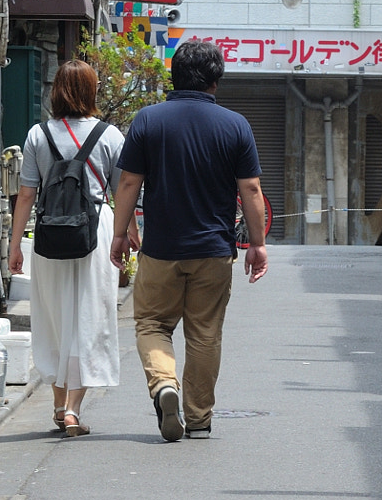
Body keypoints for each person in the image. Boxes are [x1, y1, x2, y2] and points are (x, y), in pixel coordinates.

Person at [111, 39, 268, 442]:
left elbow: (129, 180)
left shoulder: (148, 120)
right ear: (216, 80)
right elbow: (250, 190)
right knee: (204, 333)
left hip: (160, 249)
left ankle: (165, 384)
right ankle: (198, 418)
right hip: (214, 251)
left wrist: (119, 231)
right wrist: (257, 244)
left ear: (173, 77)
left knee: (151, 322)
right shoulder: (235, 126)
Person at [8, 60, 124, 437]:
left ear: (56, 90)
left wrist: (14, 245)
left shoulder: (38, 135)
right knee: (90, 318)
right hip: (96, 232)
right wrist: (129, 232)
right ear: (92, 91)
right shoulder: (109, 136)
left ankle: (59, 405)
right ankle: (74, 409)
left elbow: (26, 194)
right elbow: (124, 191)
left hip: (50, 232)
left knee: (55, 317)